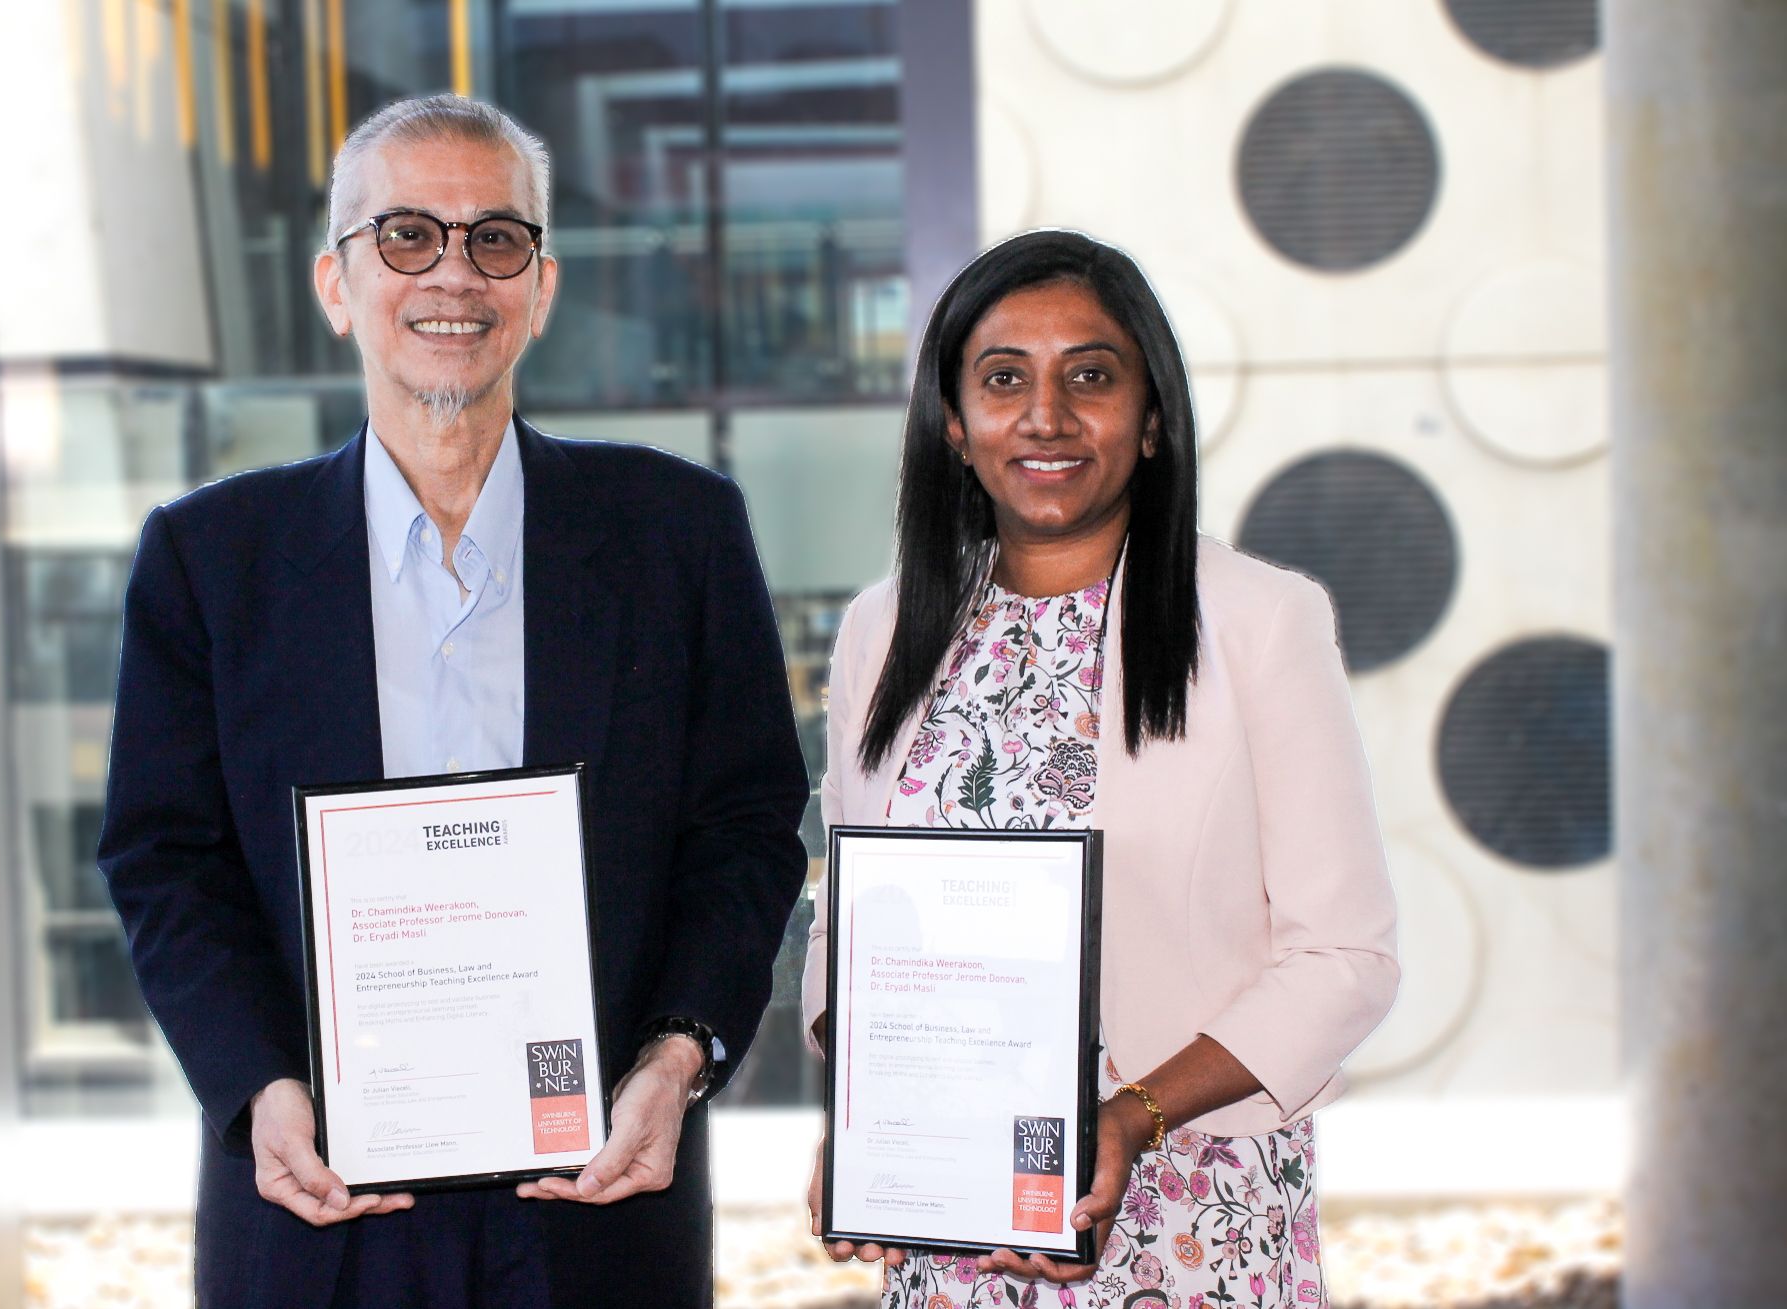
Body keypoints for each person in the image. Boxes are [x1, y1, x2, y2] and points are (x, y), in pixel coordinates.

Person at [98, 94, 808, 1309]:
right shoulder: (211, 558)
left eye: (495, 239)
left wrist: (678, 1056)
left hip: (598, 1203)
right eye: (407, 235)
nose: (454, 274)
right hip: (315, 1209)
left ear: (542, 286)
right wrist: (258, 1084)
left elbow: (744, 830)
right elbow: (167, 859)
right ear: (336, 282)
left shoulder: (678, 532)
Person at [799, 229, 1399, 1308]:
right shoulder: (880, 632)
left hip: (1188, 1212)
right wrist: (868, 1114)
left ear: (1152, 416)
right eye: (1002, 379)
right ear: (952, 422)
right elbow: (855, 926)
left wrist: (1128, 1117)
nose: (1045, 416)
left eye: (1090, 375)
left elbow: (1345, 955)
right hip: (955, 1227)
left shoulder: (1263, 621)